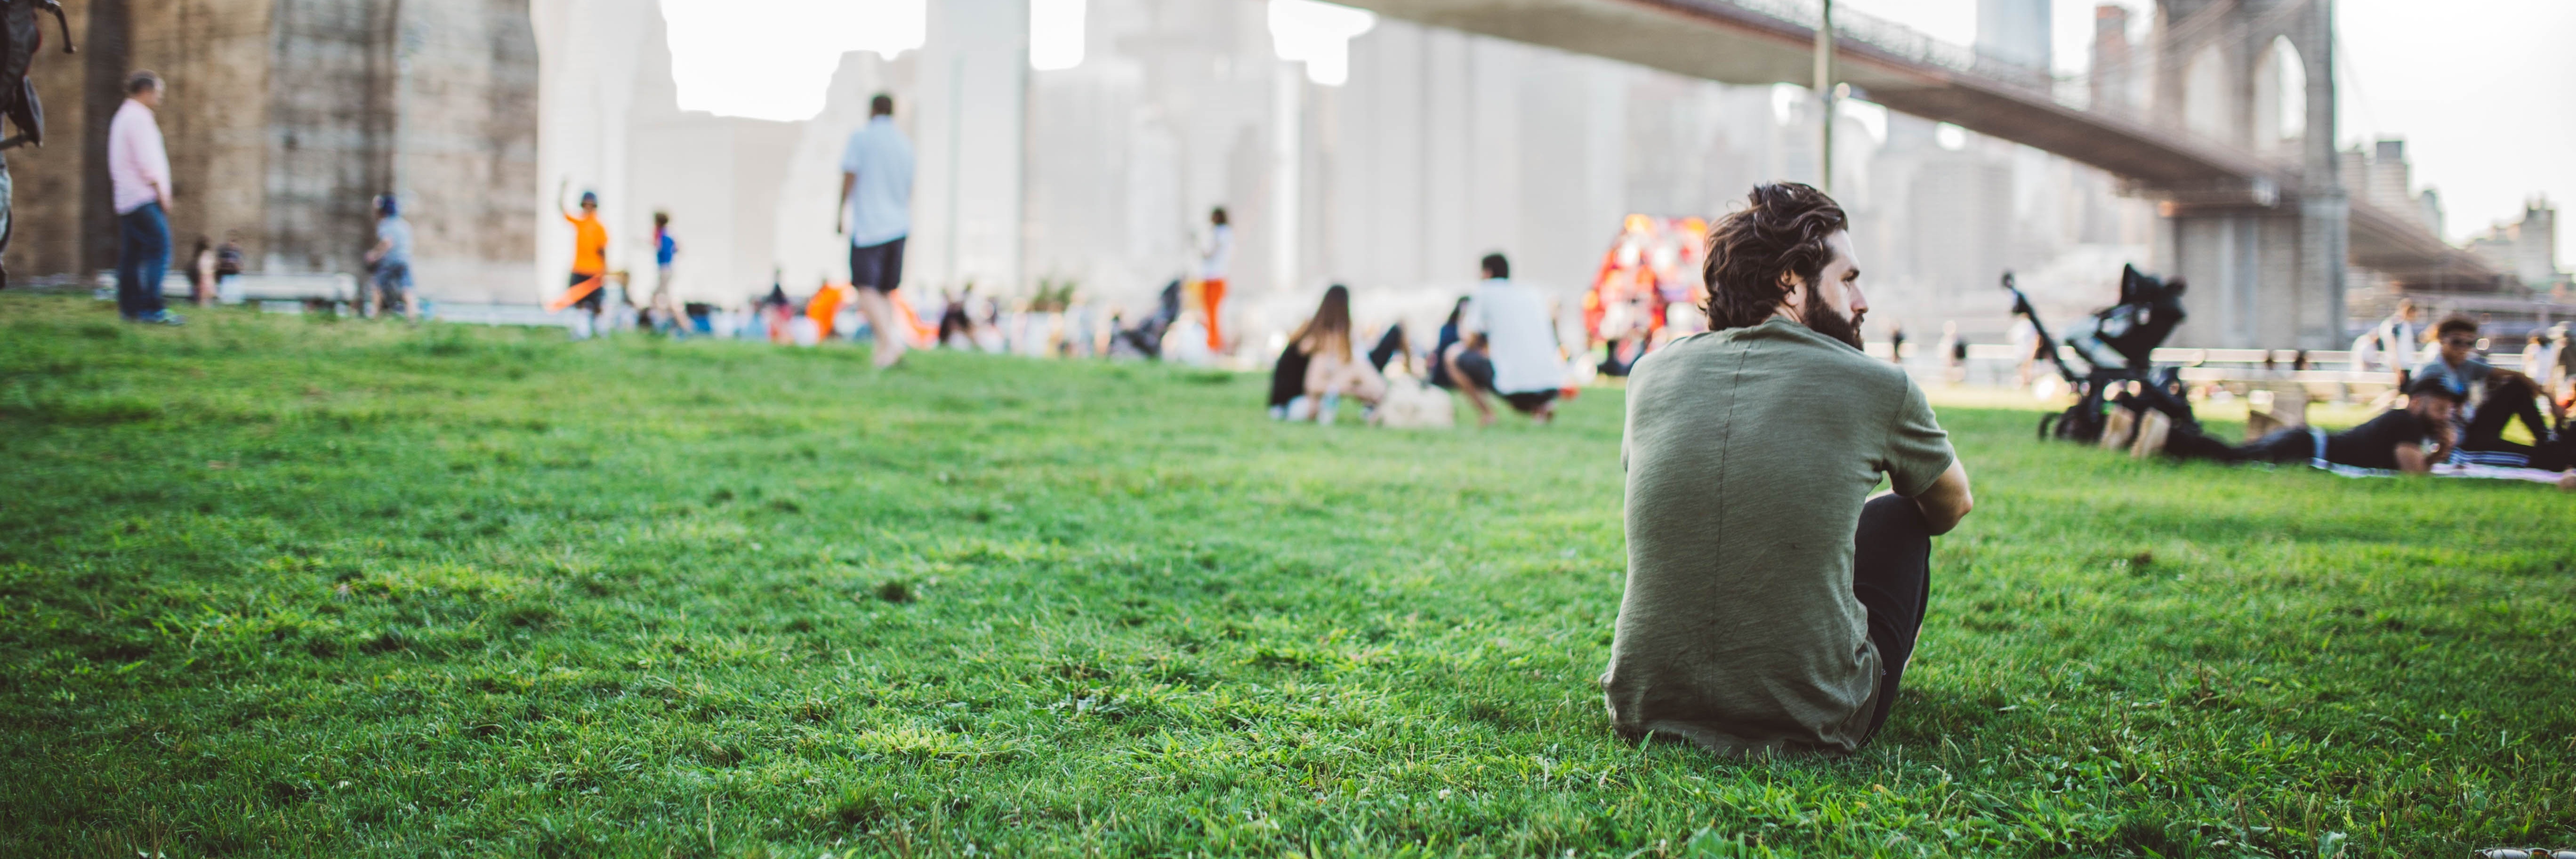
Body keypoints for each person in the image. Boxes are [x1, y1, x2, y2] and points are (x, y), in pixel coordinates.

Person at [1601, 182, 1973, 758]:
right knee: (1899, 516)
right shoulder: (1879, 385)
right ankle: (1852, 676)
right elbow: (1951, 505)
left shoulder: (1650, 374)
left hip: (1646, 704)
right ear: (1791, 281)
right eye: (1848, 279)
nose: (1862, 301)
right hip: (1815, 716)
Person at [2161, 376, 2462, 473]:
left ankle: (2172, 438)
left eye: (2447, 411)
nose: (2443, 417)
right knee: (2235, 459)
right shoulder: (2407, 423)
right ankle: (2170, 438)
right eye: (2439, 409)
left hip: (2306, 441)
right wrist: (2440, 454)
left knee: (2237, 455)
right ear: (2417, 403)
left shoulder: (2402, 419)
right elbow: (2413, 473)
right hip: (2307, 447)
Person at [839, 93, 917, 369]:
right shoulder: (905, 144)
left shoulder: (862, 138)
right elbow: (910, 187)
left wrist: (840, 211)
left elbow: (849, 175)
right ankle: (885, 350)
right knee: (885, 291)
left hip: (870, 226)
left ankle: (891, 342)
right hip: (899, 224)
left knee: (865, 288)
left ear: (872, 110)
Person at [1442, 253, 1566, 425]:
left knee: (1452, 355)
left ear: (1487, 273)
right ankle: (1542, 407)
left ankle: (1488, 414)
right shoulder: (1531, 293)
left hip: (1514, 389)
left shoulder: (1485, 292)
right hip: (1552, 386)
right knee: (1510, 367)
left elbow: (1469, 341)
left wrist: (1463, 318)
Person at [2414, 314, 2556, 462]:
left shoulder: (2465, 366)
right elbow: (2425, 413)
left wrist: (2551, 400)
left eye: (2469, 343)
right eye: (2457, 342)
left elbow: (2519, 376)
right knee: (2538, 458)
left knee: (2516, 387)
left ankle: (2547, 439)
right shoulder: (2433, 370)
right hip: (2457, 443)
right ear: (2442, 340)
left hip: (2471, 430)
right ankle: (2550, 448)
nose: (2463, 349)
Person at [109, 71, 180, 325]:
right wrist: (162, 194)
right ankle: (152, 309)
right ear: (146, 91)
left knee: (131, 255)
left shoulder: (123, 116)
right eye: (158, 93)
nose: (160, 98)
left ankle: (130, 309)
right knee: (160, 249)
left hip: (127, 198)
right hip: (143, 197)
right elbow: (147, 162)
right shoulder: (139, 118)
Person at [1272, 285, 1388, 423]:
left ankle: (1380, 400)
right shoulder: (1322, 338)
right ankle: (1382, 400)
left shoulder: (1312, 329)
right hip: (1289, 406)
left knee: (1355, 368)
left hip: (1286, 404)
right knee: (1355, 368)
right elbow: (1313, 385)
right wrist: (1352, 390)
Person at [557, 183, 609, 335]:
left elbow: (603, 250)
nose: (588, 207)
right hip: (579, 268)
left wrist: (605, 270)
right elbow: (563, 210)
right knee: (579, 302)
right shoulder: (580, 223)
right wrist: (563, 190)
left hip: (594, 270)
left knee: (597, 302)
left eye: (590, 205)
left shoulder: (599, 227)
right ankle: (582, 330)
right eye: (586, 204)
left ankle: (601, 329)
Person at [363, 194, 416, 321]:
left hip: (390, 261)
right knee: (407, 289)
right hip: (405, 260)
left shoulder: (386, 224)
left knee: (377, 286)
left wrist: (374, 255)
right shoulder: (405, 225)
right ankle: (412, 318)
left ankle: (375, 316)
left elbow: (387, 242)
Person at [1199, 208, 1232, 352]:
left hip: (1214, 278)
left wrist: (1197, 244)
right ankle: (1213, 342)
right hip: (1218, 278)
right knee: (1213, 313)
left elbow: (1209, 254)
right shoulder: (1227, 233)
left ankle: (1214, 344)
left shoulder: (1221, 233)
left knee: (1212, 313)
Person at [647, 211, 681, 336]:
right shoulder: (670, 233)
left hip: (664, 269)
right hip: (669, 268)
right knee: (661, 297)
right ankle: (663, 320)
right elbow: (677, 248)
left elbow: (658, 246)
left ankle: (665, 321)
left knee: (661, 298)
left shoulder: (661, 233)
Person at [214, 233, 244, 304]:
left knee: (234, 291)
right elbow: (219, 262)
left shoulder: (238, 251)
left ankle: (234, 302)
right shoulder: (223, 251)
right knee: (226, 291)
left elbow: (241, 263)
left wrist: (239, 268)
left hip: (235, 274)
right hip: (225, 274)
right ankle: (225, 301)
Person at [188, 236, 214, 307]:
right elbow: (207, 266)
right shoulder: (206, 255)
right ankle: (204, 305)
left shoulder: (198, 255)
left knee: (203, 293)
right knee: (204, 293)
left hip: (202, 277)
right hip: (204, 276)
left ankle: (203, 304)